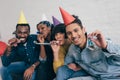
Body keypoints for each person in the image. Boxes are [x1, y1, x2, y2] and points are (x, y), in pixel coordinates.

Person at [57, 7, 120, 80]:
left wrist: (105, 46)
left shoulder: (98, 42)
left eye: (76, 30)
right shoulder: (72, 49)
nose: (73, 35)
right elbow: (66, 65)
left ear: (83, 30)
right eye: (69, 33)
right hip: (95, 77)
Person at [0, 11, 40, 80]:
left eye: (25, 33)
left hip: (35, 66)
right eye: (19, 32)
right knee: (3, 69)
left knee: (29, 78)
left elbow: (43, 58)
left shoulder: (35, 39)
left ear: (29, 32)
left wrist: (32, 67)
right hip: (24, 64)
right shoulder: (15, 43)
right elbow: (5, 63)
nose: (22, 35)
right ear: (16, 32)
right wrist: (9, 48)